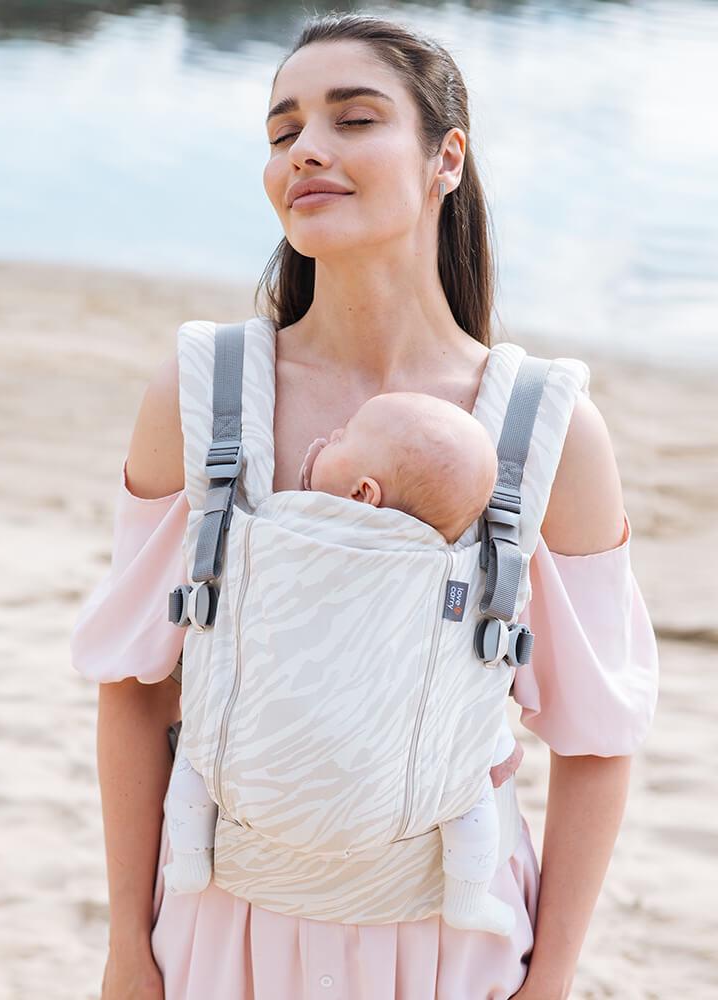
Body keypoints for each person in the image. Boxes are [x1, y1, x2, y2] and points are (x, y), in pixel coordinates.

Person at [71, 12, 658, 999]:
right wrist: (130, 948)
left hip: (448, 943)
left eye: (353, 119)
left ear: (445, 159)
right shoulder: (202, 391)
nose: (306, 149)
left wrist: (550, 977)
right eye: (282, 129)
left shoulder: (546, 426)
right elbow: (134, 687)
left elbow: (596, 737)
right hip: (222, 931)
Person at [164, 391, 518, 939]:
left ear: (362, 493)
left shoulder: (278, 524)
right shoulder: (446, 576)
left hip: (250, 776)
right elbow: (455, 686)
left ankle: (189, 856)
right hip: (388, 807)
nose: (327, 437)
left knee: (198, 748)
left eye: (343, 436)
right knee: (467, 787)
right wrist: (492, 743)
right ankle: (467, 896)